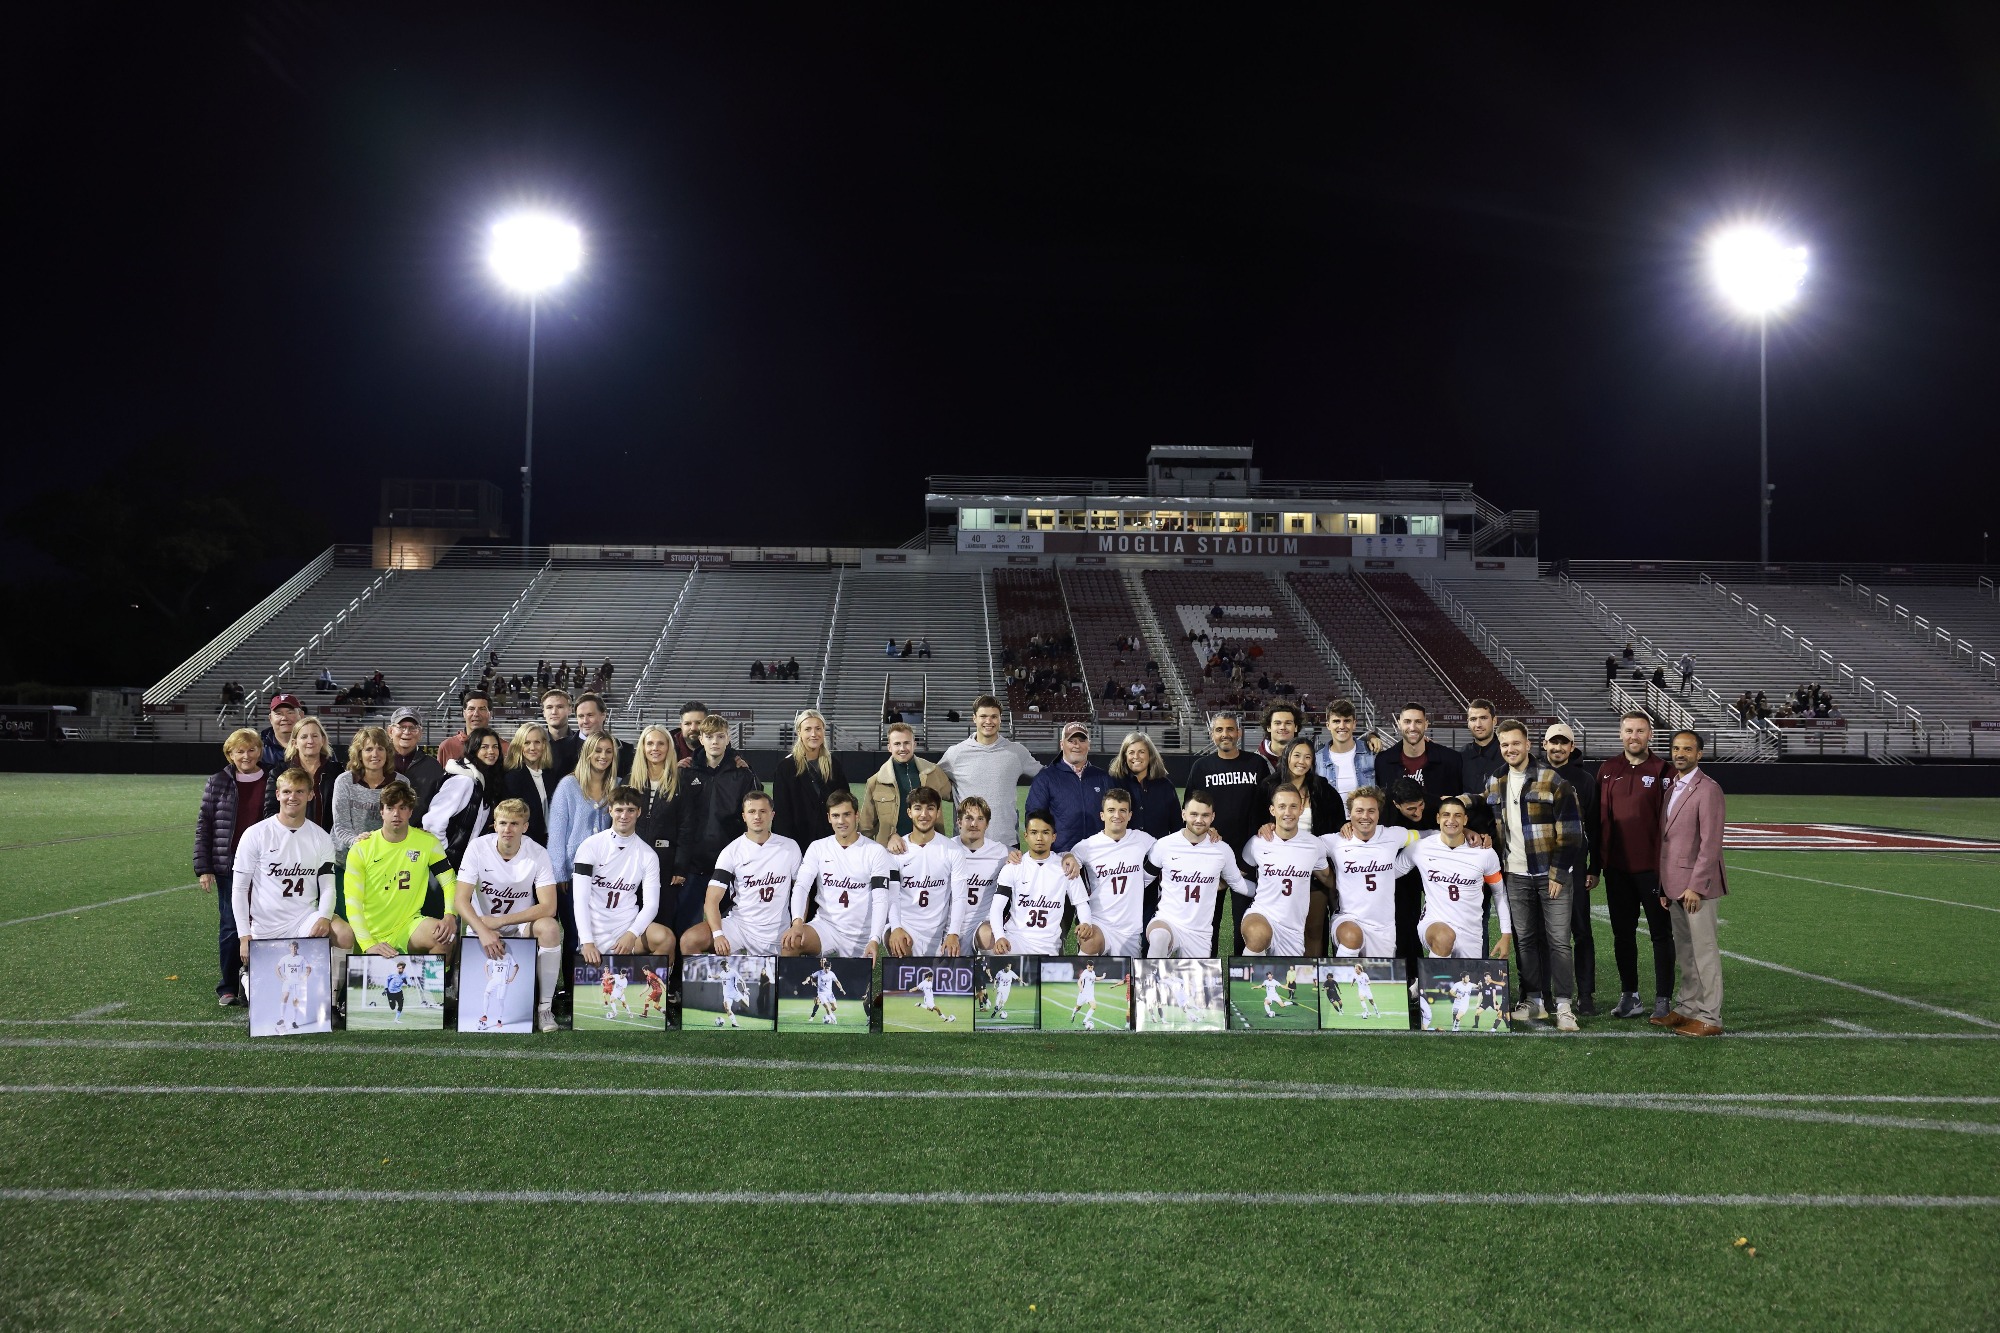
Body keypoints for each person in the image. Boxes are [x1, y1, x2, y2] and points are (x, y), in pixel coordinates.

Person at [1478, 719, 1585, 1031]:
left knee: (1559, 941)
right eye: (1505, 744)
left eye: (1516, 743)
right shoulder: (1495, 779)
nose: (1510, 749)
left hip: (1549, 874)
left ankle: (1564, 1004)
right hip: (1514, 874)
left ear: (1527, 745)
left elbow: (1572, 832)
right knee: (1524, 939)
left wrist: (1558, 873)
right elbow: (1481, 809)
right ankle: (1534, 1001)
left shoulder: (1552, 780)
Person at [231, 767, 355, 1000]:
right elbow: (239, 889)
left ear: (310, 795)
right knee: (268, 1002)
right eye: (287, 791)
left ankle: (331, 1001)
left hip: (303, 919)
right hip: (267, 926)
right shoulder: (255, 834)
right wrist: (244, 935)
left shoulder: (320, 837)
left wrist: (324, 917)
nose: (292, 797)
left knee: (344, 933)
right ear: (277, 794)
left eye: (299, 791)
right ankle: (247, 976)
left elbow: (328, 885)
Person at [454, 797, 562, 1032]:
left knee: (550, 928)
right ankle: (460, 987)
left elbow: (548, 907)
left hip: (520, 925)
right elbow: (460, 900)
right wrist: (484, 930)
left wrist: (500, 921)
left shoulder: (537, 853)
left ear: (525, 826)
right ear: (494, 824)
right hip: (482, 927)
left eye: (514, 824)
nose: (508, 829)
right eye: (502, 823)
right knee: (477, 994)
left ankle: (544, 1009)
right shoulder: (477, 847)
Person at [1596, 710, 1675, 1020]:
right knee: (1623, 934)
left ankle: (1663, 999)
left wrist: (1667, 871)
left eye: (1640, 731)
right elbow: (1599, 819)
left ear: (1650, 735)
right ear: (1620, 734)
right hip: (1616, 868)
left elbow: (1671, 824)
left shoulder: (1663, 771)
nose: (1634, 736)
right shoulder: (1607, 769)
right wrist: (1598, 864)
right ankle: (1630, 995)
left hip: (1652, 869)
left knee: (1660, 934)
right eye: (1628, 730)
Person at [1657, 730, 1728, 1036]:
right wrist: (1664, 885)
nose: (1680, 753)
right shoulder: (1672, 787)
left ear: (1700, 754)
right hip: (1673, 885)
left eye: (1687, 749)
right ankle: (1688, 1007)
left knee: (1704, 951)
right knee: (1685, 951)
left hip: (1697, 888)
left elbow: (1711, 844)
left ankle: (1711, 1017)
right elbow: (1668, 843)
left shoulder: (1708, 789)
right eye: (1676, 748)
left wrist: (1696, 885)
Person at [195, 728, 272, 1005]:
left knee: (266, 922)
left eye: (251, 749)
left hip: (266, 865)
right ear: (230, 754)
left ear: (259, 752)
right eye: (239, 751)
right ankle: (227, 985)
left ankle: (263, 982)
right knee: (231, 924)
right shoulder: (217, 782)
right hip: (229, 866)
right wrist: (204, 867)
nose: (246, 755)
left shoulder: (273, 778)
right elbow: (205, 825)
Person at [682, 789, 802, 958]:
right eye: (752, 812)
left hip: (778, 929)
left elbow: (801, 891)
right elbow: (711, 900)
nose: (757, 816)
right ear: (744, 816)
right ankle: (713, 982)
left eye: (763, 811)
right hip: (740, 927)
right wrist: (718, 934)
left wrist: (797, 924)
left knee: (794, 949)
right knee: (690, 940)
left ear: (772, 815)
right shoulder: (731, 851)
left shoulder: (790, 847)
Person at [342, 781, 455, 959]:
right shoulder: (361, 848)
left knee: (443, 938)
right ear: (381, 811)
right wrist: (368, 944)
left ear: (410, 812)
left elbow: (449, 882)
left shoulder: (427, 842)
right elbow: (353, 903)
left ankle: (441, 985)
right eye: (390, 808)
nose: (396, 814)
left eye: (403, 808)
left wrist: (450, 915)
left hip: (408, 926)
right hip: (371, 931)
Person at [1184, 713, 1268, 950]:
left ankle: (1241, 973)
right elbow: (1189, 811)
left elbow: (1267, 806)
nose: (1225, 734)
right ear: (1212, 734)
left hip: (1248, 857)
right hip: (1212, 855)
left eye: (1230, 729)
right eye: (1219, 730)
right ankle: (1207, 974)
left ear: (1238, 733)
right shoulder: (1202, 767)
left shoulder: (1256, 764)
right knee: (1208, 922)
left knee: (1246, 922)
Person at [784, 790, 895, 959]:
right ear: (829, 818)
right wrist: (797, 921)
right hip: (827, 926)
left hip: (861, 934)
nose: (841, 821)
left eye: (847, 815)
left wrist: (874, 938)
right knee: (791, 942)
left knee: (853, 985)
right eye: (835, 816)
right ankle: (793, 987)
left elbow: (881, 898)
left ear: (856, 815)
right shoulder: (818, 847)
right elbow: (801, 886)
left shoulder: (875, 851)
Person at [572, 787, 676, 965]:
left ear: (639, 812)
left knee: (666, 938)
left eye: (630, 810)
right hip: (595, 929)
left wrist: (632, 933)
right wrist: (587, 941)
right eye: (619, 809)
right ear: (610, 810)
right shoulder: (590, 846)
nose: (624, 816)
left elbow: (651, 904)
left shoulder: (648, 855)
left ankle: (654, 989)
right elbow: (580, 899)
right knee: (599, 988)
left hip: (627, 927)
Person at [1142, 790, 1249, 958]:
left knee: (1196, 985)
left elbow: (1238, 884)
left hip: (1200, 932)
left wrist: (1272, 888)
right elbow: (1142, 880)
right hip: (1167, 921)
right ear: (1183, 814)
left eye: (1205, 815)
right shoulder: (1164, 845)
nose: (1199, 820)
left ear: (1213, 817)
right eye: (1194, 814)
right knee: (1159, 938)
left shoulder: (1222, 850)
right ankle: (1151, 983)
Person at [1541, 722, 1601, 1013]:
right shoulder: (1532, 775)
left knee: (1581, 930)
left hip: (1575, 865)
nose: (1558, 748)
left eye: (1564, 743)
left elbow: (1595, 826)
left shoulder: (1585, 780)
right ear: (1544, 744)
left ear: (1572, 747)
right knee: (1543, 933)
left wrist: (1595, 867)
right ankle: (1543, 993)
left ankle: (1585, 994)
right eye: (1553, 742)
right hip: (1539, 863)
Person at [674, 716, 760, 917]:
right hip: (692, 864)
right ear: (701, 739)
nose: (715, 741)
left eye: (720, 736)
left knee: (728, 926)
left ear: (728, 738)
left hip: (730, 864)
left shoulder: (743, 774)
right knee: (686, 928)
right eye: (709, 736)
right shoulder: (685, 772)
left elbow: (755, 816)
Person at [1410, 796, 1513, 960]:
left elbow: (1499, 894)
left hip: (1470, 934)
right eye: (1446, 815)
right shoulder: (1420, 847)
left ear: (1465, 820)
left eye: (1457, 815)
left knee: (1467, 984)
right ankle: (1431, 983)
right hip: (1434, 925)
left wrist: (1506, 935)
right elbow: (1390, 871)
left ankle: (1423, 983)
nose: (1451, 820)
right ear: (1438, 818)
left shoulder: (1484, 853)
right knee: (1444, 938)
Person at [549, 731, 621, 959]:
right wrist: (560, 872)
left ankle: (593, 988)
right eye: (598, 750)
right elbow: (557, 833)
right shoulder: (569, 785)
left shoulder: (617, 786)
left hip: (606, 874)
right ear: (587, 753)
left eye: (609, 751)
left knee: (600, 931)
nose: (603, 756)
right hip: (573, 872)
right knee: (574, 932)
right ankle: (570, 990)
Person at [936, 696, 1042, 850]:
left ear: (1000, 719)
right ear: (974, 718)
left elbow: (1047, 775)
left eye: (994, 716)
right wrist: (951, 794)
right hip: (966, 844)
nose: (988, 721)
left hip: (1006, 843)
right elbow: (933, 779)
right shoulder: (956, 753)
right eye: (983, 716)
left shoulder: (1016, 752)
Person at [1239, 786, 1330, 957]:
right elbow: (1238, 876)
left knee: (1289, 980)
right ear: (1272, 810)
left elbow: (1326, 876)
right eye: (1281, 806)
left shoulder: (1314, 845)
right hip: (1262, 914)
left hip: (1293, 929)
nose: (1287, 812)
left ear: (1301, 809)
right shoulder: (1257, 842)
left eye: (1293, 806)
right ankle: (1248, 979)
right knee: (1258, 936)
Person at [1322, 786, 1412, 958]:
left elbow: (1428, 837)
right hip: (1348, 919)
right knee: (1351, 936)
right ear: (1349, 814)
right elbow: (1303, 846)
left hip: (1383, 927)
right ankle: (1341, 981)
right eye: (1359, 811)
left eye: (1371, 811)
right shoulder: (1335, 841)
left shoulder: (1394, 835)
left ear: (1379, 813)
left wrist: (1465, 832)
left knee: (1380, 981)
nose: (1365, 816)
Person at [990, 810, 1092, 957]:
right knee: (995, 956)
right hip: (1016, 941)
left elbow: (1081, 903)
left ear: (1053, 837)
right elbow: (997, 908)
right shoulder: (1013, 867)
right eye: (1033, 832)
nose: (1039, 838)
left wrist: (1086, 922)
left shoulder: (1066, 867)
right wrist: (1000, 936)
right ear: (1026, 836)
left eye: (1045, 832)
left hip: (1049, 945)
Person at [1071, 789, 1156, 958]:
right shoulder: (1086, 847)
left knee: (1126, 981)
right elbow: (1066, 866)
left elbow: (1170, 850)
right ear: (1102, 815)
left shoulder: (1143, 840)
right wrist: (1068, 856)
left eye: (1122, 810)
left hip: (1130, 929)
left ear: (1130, 815)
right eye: (1111, 810)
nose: (1117, 815)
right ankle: (1079, 983)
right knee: (1090, 942)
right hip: (1100, 922)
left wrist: (1206, 836)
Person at [885, 787, 962, 956]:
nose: (924, 814)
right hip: (906, 925)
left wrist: (953, 933)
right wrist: (896, 927)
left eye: (930, 808)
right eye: (918, 808)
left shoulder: (952, 850)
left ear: (938, 812)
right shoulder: (897, 851)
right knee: (901, 948)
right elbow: (892, 894)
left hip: (939, 928)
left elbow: (959, 896)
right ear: (909, 812)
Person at [331, 725, 412, 876]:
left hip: (384, 861)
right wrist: (356, 841)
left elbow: (401, 822)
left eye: (380, 748)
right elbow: (341, 826)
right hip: (345, 861)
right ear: (359, 754)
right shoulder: (344, 781)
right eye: (368, 749)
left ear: (387, 753)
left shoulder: (401, 782)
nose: (375, 754)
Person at [423, 726, 506, 871]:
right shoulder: (463, 780)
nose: (491, 751)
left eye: (495, 747)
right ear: (474, 749)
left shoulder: (483, 779)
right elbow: (432, 822)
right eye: (484, 747)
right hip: (446, 866)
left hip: (464, 863)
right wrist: (444, 857)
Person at [1024, 722, 1111, 853]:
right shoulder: (1045, 778)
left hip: (1098, 856)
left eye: (1082, 740)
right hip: (1061, 857)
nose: (1077, 745)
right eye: (1071, 740)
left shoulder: (1103, 778)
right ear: (1062, 744)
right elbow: (1034, 819)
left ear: (1089, 744)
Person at [942, 796, 1012, 956]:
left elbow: (1033, 860)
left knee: (991, 935)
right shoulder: (946, 850)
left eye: (980, 819)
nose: (974, 824)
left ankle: (987, 978)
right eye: (968, 818)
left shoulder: (1001, 852)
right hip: (948, 923)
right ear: (959, 822)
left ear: (987, 824)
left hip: (981, 923)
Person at [772, 709, 849, 846]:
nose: (813, 734)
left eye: (818, 729)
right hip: (798, 843)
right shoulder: (786, 767)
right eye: (808, 729)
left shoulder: (834, 764)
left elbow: (845, 803)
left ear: (823, 731)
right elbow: (782, 814)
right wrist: (787, 847)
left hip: (831, 842)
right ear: (799, 732)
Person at [266, 715, 339, 830]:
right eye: (304, 737)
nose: (310, 741)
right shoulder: (278, 772)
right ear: (295, 743)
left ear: (323, 740)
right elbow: (270, 812)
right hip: (290, 840)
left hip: (327, 840)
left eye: (315, 736)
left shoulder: (337, 772)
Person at [1106, 732, 1180, 838]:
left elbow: (1176, 826)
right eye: (1131, 752)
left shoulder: (1166, 786)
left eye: (1141, 752)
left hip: (1157, 852)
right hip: (1124, 851)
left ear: (1150, 755)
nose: (1136, 756)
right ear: (1124, 756)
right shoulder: (1113, 783)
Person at [1313, 699, 1377, 812]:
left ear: (1354, 724)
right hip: (1331, 826)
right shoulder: (1317, 760)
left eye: (1347, 721)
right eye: (1336, 721)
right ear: (1328, 725)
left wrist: (1372, 736)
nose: (1342, 726)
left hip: (1366, 823)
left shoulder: (1371, 753)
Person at [386, 707, 446, 819]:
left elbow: (439, 806)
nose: (407, 732)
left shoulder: (433, 766)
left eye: (413, 728)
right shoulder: (379, 763)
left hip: (419, 832)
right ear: (390, 731)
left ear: (420, 733)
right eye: (401, 727)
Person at [501, 721, 556, 847]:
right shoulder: (512, 777)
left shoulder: (550, 774)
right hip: (525, 844)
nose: (532, 748)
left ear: (544, 745)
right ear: (519, 746)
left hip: (549, 842)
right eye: (527, 743)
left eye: (537, 742)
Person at [572, 692, 635, 774]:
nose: (585, 721)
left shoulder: (625, 750)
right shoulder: (561, 749)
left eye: (590, 715)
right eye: (581, 716)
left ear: (603, 715)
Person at [1458, 699, 1504, 802]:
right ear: (1468, 723)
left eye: (1483, 718)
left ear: (1494, 720)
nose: (1478, 724)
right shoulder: (1461, 754)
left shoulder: (1507, 754)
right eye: (1473, 719)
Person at [435, 690, 492, 766]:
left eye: (482, 709)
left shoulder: (504, 748)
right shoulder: (447, 746)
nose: (476, 714)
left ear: (490, 714)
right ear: (464, 713)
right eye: (471, 709)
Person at [542, 688, 580, 777]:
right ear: (543, 712)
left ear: (570, 710)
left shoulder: (581, 743)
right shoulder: (534, 744)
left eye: (560, 707)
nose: (554, 712)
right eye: (549, 707)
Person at [260, 694, 304, 771]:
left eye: (290, 712)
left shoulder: (314, 745)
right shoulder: (258, 747)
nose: (284, 718)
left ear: (301, 715)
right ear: (270, 718)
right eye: (278, 714)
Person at [1257, 702, 1302, 767]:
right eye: (1277, 723)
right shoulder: (1253, 762)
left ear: (1296, 728)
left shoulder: (1308, 760)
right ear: (1269, 727)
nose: (1283, 727)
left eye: (1288, 723)